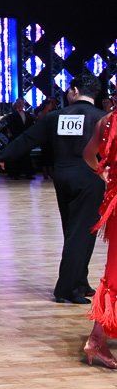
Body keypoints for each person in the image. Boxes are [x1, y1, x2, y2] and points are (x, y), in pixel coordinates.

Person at [0, 75, 107, 304]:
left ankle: (79, 281)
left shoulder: (55, 117)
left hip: (62, 176)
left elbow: (27, 139)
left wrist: (0, 156)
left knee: (73, 231)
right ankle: (66, 289)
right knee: (81, 233)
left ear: (74, 91)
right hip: (89, 177)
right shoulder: (101, 118)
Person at [83, 99, 117, 368]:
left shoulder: (106, 121)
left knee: (114, 270)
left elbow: (88, 154)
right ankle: (96, 338)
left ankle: (97, 338)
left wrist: (103, 173)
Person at [3, 98, 35, 179]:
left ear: (24, 104)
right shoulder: (11, 116)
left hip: (26, 138)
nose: (20, 104)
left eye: (22, 103)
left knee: (26, 156)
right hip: (16, 138)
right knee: (16, 156)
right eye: (19, 103)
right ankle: (15, 174)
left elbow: (31, 126)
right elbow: (11, 127)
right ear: (16, 104)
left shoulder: (28, 114)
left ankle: (28, 173)